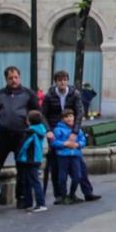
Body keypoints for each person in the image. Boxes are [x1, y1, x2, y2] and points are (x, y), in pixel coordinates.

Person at [0, 67, 40, 199]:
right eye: (10, 78)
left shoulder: (28, 94)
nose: (14, 80)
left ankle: (21, 197)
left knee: (21, 168)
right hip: (3, 136)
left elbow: (37, 113)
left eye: (16, 77)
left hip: (21, 136)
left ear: (19, 77)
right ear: (6, 79)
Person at [42, 70, 84, 201]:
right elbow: (43, 114)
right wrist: (48, 130)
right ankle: (59, 195)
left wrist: (75, 131)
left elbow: (80, 113)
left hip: (71, 130)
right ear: (55, 82)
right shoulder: (49, 95)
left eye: (65, 79)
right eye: (60, 80)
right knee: (56, 166)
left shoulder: (74, 94)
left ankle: (74, 193)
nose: (62, 82)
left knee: (77, 166)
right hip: (56, 131)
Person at [52, 108, 96, 204]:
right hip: (63, 156)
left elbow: (82, 140)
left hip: (75, 155)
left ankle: (72, 194)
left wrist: (78, 145)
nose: (69, 119)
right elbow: (54, 142)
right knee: (62, 177)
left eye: (71, 116)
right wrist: (64, 143)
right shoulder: (58, 129)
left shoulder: (76, 130)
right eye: (66, 117)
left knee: (77, 176)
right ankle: (64, 195)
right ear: (62, 119)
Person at [16, 110, 48, 212]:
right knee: (32, 180)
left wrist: (18, 155)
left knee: (32, 181)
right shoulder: (41, 130)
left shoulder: (30, 132)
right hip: (37, 158)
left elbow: (24, 146)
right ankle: (29, 203)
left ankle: (40, 203)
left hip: (28, 159)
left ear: (28, 121)